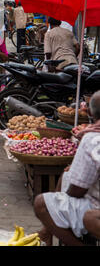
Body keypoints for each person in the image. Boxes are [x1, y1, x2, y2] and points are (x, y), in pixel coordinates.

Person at [34, 90, 100, 246]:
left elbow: (78, 190)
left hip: (95, 206)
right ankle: (45, 232)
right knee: (67, 175)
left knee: (41, 203)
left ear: (89, 112)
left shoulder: (92, 139)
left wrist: (66, 195)